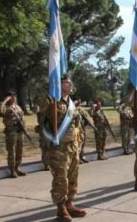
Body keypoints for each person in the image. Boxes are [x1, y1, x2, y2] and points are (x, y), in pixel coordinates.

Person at [38, 75, 86, 221]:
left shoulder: (71, 103)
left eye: (70, 82)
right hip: (59, 147)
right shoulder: (51, 100)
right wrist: (50, 92)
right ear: (59, 85)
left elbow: (77, 125)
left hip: (73, 145)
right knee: (60, 178)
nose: (70, 84)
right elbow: (41, 111)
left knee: (73, 175)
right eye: (66, 82)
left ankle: (70, 203)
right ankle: (61, 207)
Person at [0, 91, 27, 178]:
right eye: (11, 96)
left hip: (19, 131)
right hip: (11, 132)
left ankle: (17, 167)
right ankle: (12, 170)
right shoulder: (6, 107)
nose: (13, 97)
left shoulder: (18, 107)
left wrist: (24, 129)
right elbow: (1, 112)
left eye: (14, 96)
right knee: (11, 151)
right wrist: (5, 101)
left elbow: (23, 119)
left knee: (19, 150)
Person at [74, 98, 92, 163]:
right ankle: (77, 158)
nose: (79, 101)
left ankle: (81, 156)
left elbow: (87, 116)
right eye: (77, 100)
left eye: (80, 100)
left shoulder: (81, 109)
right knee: (77, 143)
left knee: (83, 142)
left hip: (83, 127)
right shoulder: (72, 108)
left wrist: (89, 122)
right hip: (76, 129)